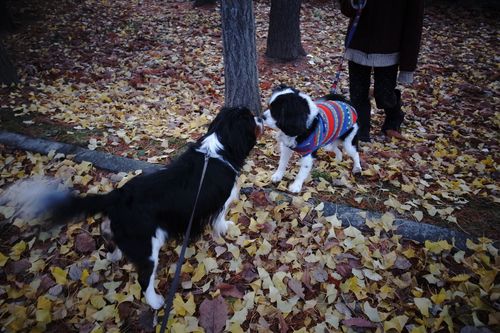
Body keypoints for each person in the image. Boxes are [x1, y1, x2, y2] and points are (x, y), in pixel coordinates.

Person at [338, 0, 424, 143]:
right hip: (358, 42)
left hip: (390, 48)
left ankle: (395, 116)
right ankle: (361, 130)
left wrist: (407, 67)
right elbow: (346, 9)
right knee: (358, 93)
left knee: (384, 95)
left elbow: (414, 26)